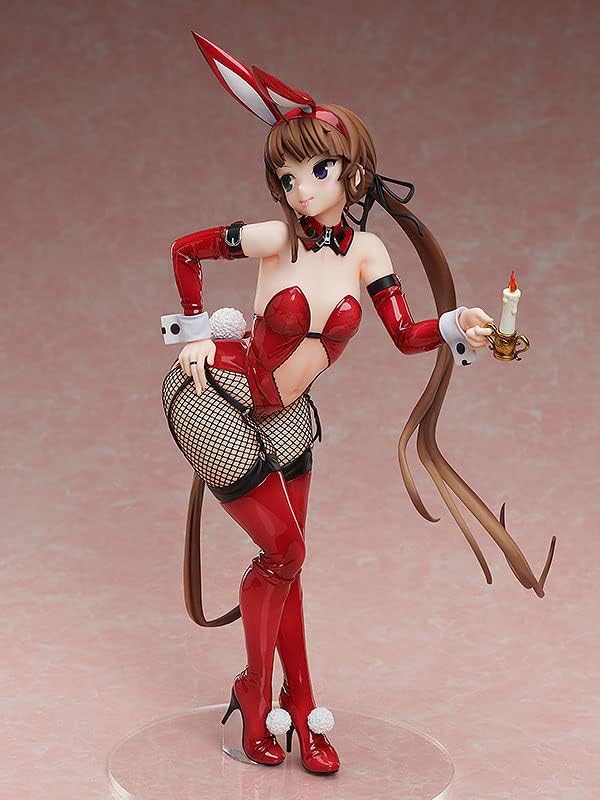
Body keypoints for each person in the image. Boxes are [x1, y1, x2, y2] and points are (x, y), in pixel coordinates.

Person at [160, 34, 555, 775]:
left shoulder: (368, 254)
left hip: (287, 415)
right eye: (287, 175)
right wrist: (194, 331)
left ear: (353, 171)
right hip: (219, 395)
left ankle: (298, 704)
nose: (300, 189)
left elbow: (405, 335)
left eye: (316, 170)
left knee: (288, 566)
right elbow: (185, 250)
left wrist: (457, 326)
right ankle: (257, 691)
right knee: (286, 552)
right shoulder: (272, 238)